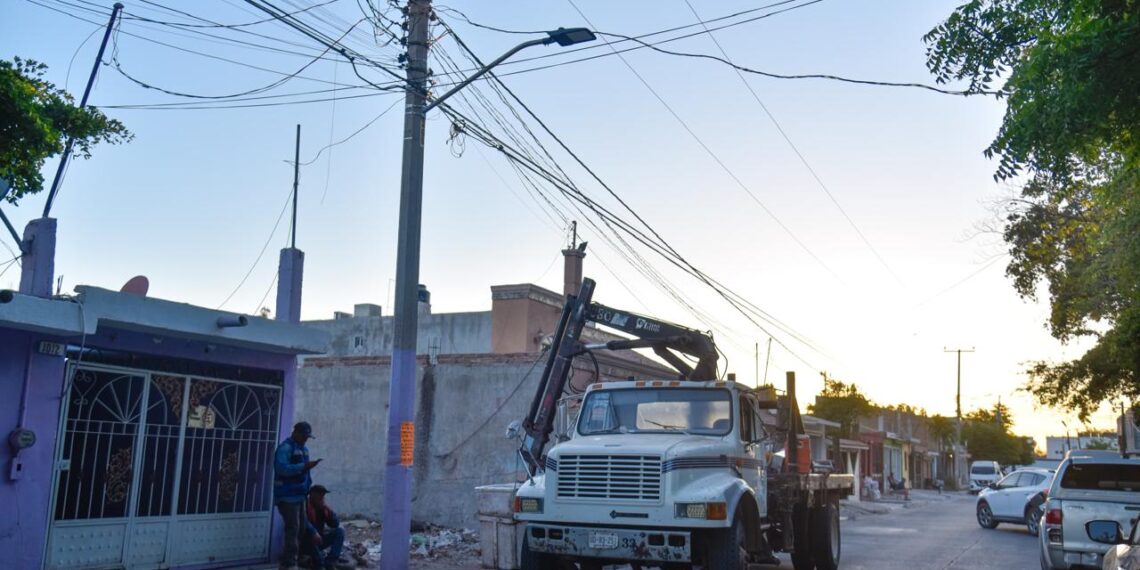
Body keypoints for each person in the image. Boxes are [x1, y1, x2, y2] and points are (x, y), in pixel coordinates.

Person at [275, 421, 322, 570]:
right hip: (287, 496)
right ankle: (290, 563)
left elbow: (305, 474)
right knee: (293, 528)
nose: (305, 439)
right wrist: (303, 466)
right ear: (295, 433)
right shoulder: (285, 448)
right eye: (303, 435)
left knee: (301, 528)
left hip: (300, 495)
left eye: (307, 437)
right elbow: (282, 469)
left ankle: (291, 559)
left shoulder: (304, 450)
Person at [303, 485, 348, 570]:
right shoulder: (304, 506)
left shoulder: (323, 508)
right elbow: (304, 523)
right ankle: (318, 562)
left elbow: (335, 524)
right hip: (305, 543)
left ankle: (330, 562)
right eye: (319, 494)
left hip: (318, 541)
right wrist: (314, 532)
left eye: (323, 495)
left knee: (339, 532)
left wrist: (329, 512)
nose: (322, 497)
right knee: (319, 563)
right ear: (312, 495)